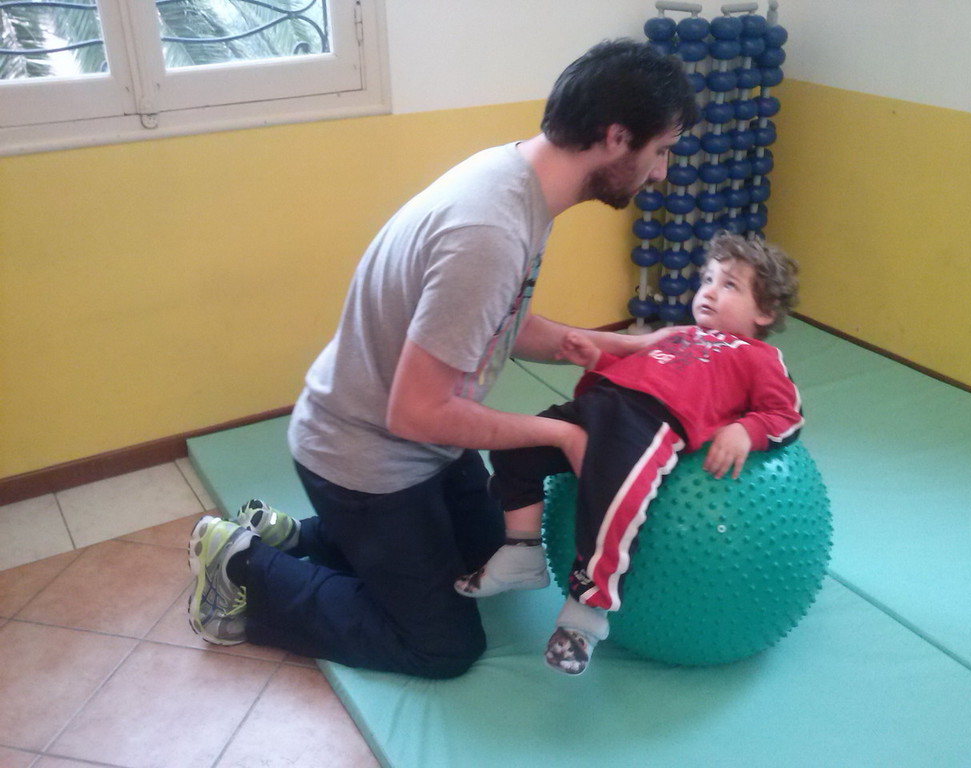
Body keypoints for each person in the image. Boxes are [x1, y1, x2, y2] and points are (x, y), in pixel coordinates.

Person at [186, 38, 699, 679]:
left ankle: (298, 536)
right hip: (363, 459)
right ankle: (243, 565)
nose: (661, 172)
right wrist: (562, 435)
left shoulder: (517, 177)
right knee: (443, 646)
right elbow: (417, 411)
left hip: (414, 442)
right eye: (661, 151)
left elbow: (488, 317)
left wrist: (613, 345)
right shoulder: (490, 231)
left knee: (486, 558)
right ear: (617, 137)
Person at [454, 232, 803, 675]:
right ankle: (522, 551)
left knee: (612, 503)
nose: (710, 291)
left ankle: (585, 616)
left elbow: (786, 414)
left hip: (650, 423)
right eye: (708, 279)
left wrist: (744, 430)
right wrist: (596, 359)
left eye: (729, 285)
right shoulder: (680, 335)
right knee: (516, 448)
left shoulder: (759, 356)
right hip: (601, 404)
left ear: (764, 312)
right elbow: (639, 371)